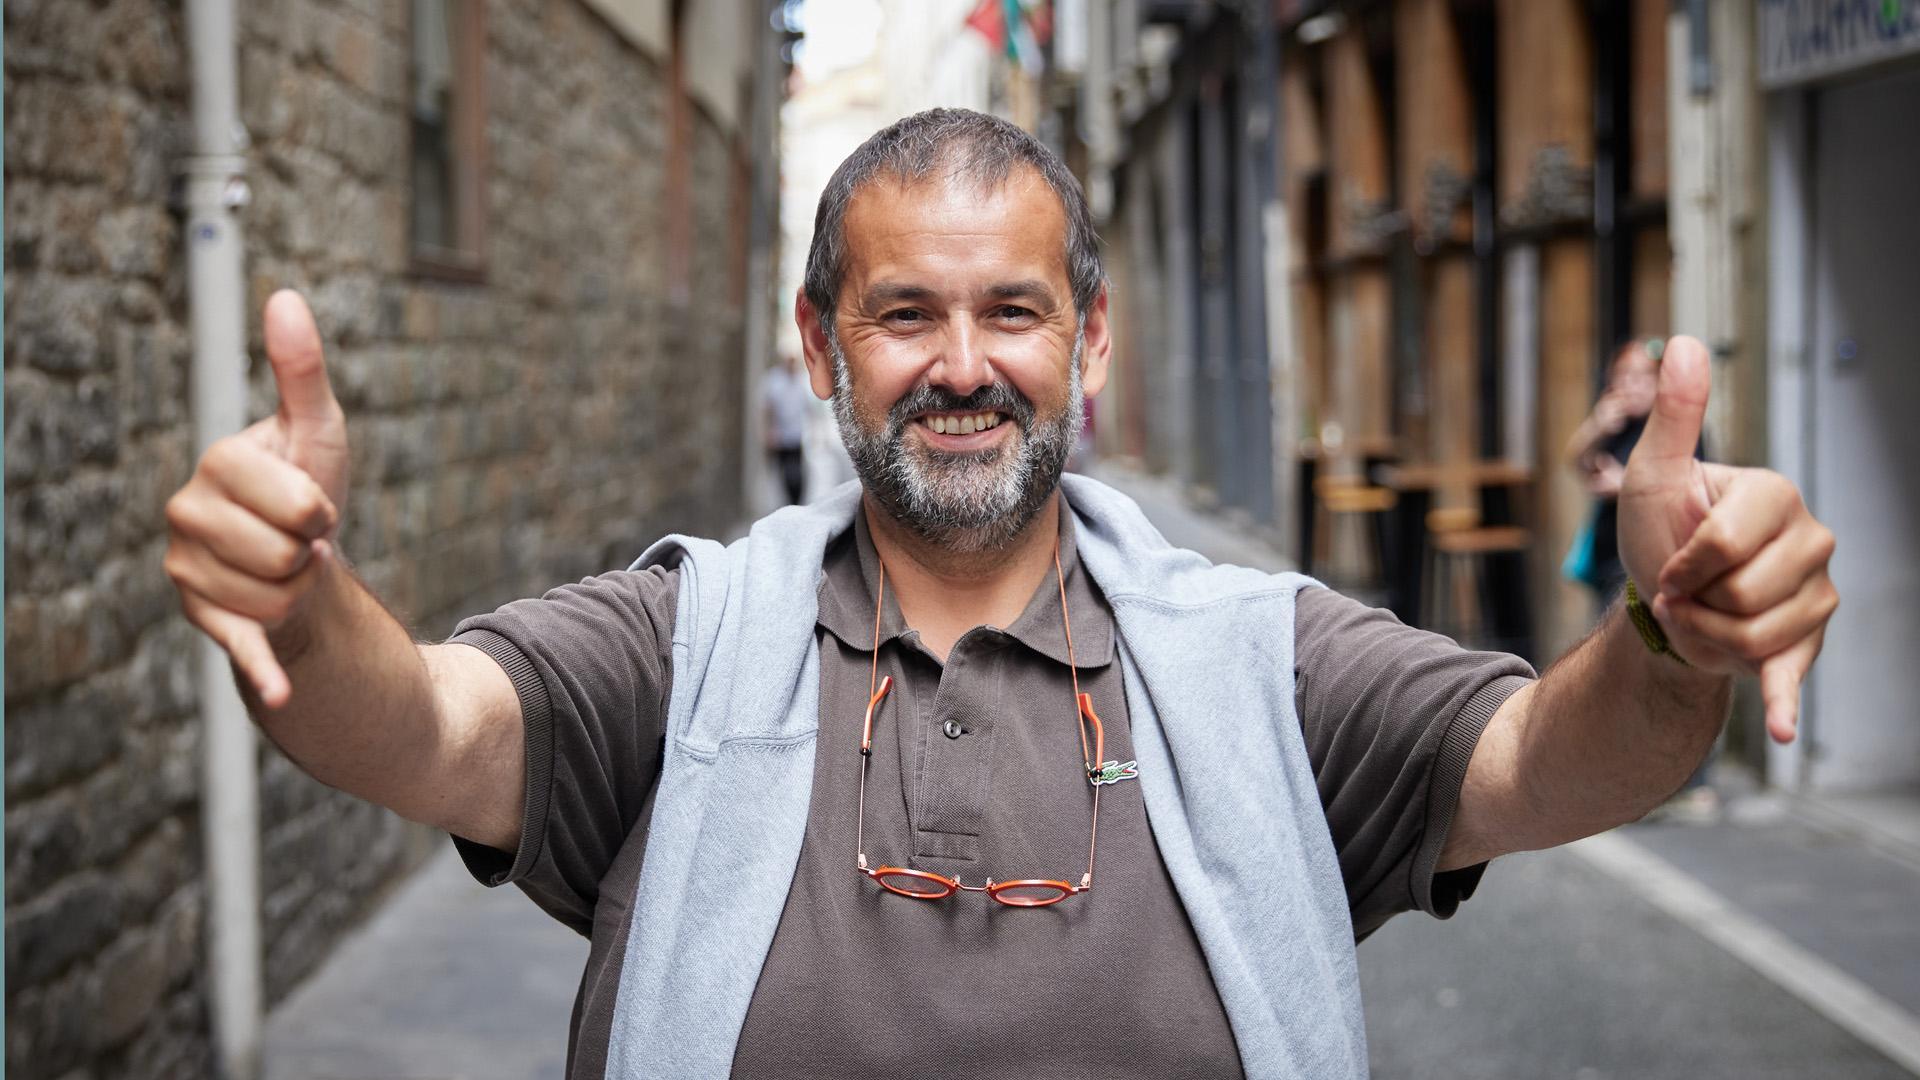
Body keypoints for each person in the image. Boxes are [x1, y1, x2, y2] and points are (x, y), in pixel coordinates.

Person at [163, 110, 1838, 1078]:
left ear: (1087, 343)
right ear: (823, 347)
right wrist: (305, 608)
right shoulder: (688, 642)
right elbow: (431, 727)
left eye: (1014, 314)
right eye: (905, 316)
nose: (965, 369)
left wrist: (1666, 641)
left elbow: (1545, 761)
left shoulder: (1262, 656)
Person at [762, 352, 812, 505]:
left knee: (797, 475)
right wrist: (767, 432)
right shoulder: (774, 381)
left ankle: (796, 503)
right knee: (782, 474)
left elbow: (809, 407)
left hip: (797, 436)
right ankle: (784, 503)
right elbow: (766, 409)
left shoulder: (801, 380)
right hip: (779, 437)